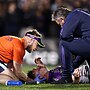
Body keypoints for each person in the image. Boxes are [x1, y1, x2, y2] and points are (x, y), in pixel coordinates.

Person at [51, 7, 90, 84]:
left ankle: (66, 77)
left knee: (63, 43)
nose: (61, 26)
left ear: (62, 19)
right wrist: (74, 65)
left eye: (60, 24)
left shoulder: (73, 15)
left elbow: (64, 35)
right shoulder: (81, 15)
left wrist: (72, 67)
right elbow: (83, 52)